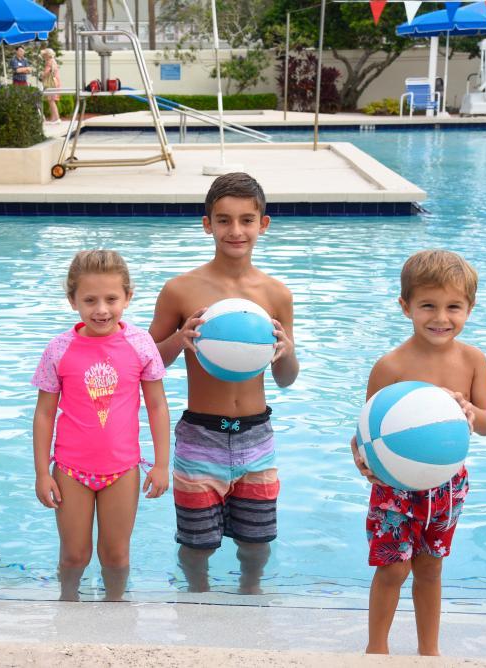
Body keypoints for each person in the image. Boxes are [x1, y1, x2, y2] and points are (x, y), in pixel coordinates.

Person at [149, 172, 299, 594]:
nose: (236, 231)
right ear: (207, 224)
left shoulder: (276, 294)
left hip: (256, 435)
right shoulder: (180, 290)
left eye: (247, 220)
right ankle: (197, 602)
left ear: (263, 224)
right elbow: (144, 362)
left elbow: (285, 380)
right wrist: (180, 340)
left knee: (256, 544)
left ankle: (251, 599)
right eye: (225, 220)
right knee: (197, 547)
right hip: (201, 435)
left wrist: (286, 351)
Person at [349, 249, 486, 656]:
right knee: (392, 567)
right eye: (427, 305)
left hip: (448, 487)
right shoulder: (391, 366)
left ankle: (428, 652)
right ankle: (376, 649)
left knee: (430, 567)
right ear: (405, 306)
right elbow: (364, 433)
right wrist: (362, 461)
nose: (440, 317)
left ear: (470, 308)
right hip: (395, 486)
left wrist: (469, 412)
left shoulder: (472, 360)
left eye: (453, 307)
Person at [32, 250, 171, 602]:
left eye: (111, 299)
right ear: (72, 301)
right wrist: (41, 473)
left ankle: (115, 605)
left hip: (122, 470)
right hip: (70, 470)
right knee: (74, 554)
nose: (101, 309)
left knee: (115, 555)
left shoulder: (140, 345)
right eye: (89, 300)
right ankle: (68, 602)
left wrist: (161, 464)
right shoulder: (58, 349)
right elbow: (45, 413)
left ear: (128, 297)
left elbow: (157, 405)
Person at [41, 48, 62, 123]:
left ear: (47, 55)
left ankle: (57, 118)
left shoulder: (48, 62)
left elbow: (46, 73)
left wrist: (41, 75)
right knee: (53, 100)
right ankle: (54, 118)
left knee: (51, 101)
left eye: (44, 55)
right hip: (56, 81)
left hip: (51, 83)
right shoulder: (54, 61)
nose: (43, 57)